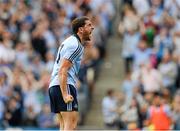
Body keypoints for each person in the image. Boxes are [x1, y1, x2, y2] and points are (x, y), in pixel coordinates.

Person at [48, 16, 94, 130]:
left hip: (55, 85)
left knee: (64, 125)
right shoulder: (76, 45)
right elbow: (63, 69)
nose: (92, 28)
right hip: (64, 85)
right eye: (89, 25)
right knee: (70, 125)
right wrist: (64, 94)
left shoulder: (70, 41)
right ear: (81, 29)